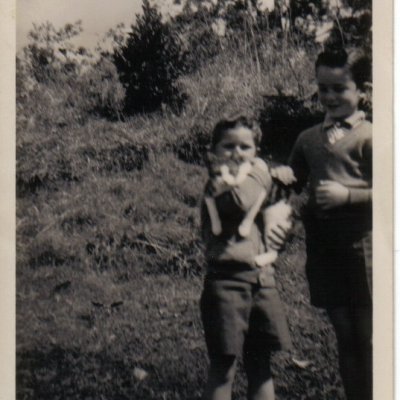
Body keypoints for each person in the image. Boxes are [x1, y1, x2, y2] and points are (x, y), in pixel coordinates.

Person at [277, 47, 372, 400]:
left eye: (340, 88)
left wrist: (351, 196)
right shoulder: (307, 139)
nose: (329, 96)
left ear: (363, 89)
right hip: (326, 254)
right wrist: (282, 177)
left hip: (366, 255)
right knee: (345, 337)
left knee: (370, 338)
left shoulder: (373, 138)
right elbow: (294, 182)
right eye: (323, 88)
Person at [200, 115, 293, 400]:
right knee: (224, 365)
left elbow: (278, 216)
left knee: (260, 365)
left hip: (261, 281)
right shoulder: (219, 185)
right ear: (213, 153)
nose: (237, 153)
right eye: (228, 146)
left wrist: (285, 184)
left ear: (255, 150)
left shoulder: (255, 183)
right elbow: (242, 200)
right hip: (226, 283)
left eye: (246, 147)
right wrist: (265, 169)